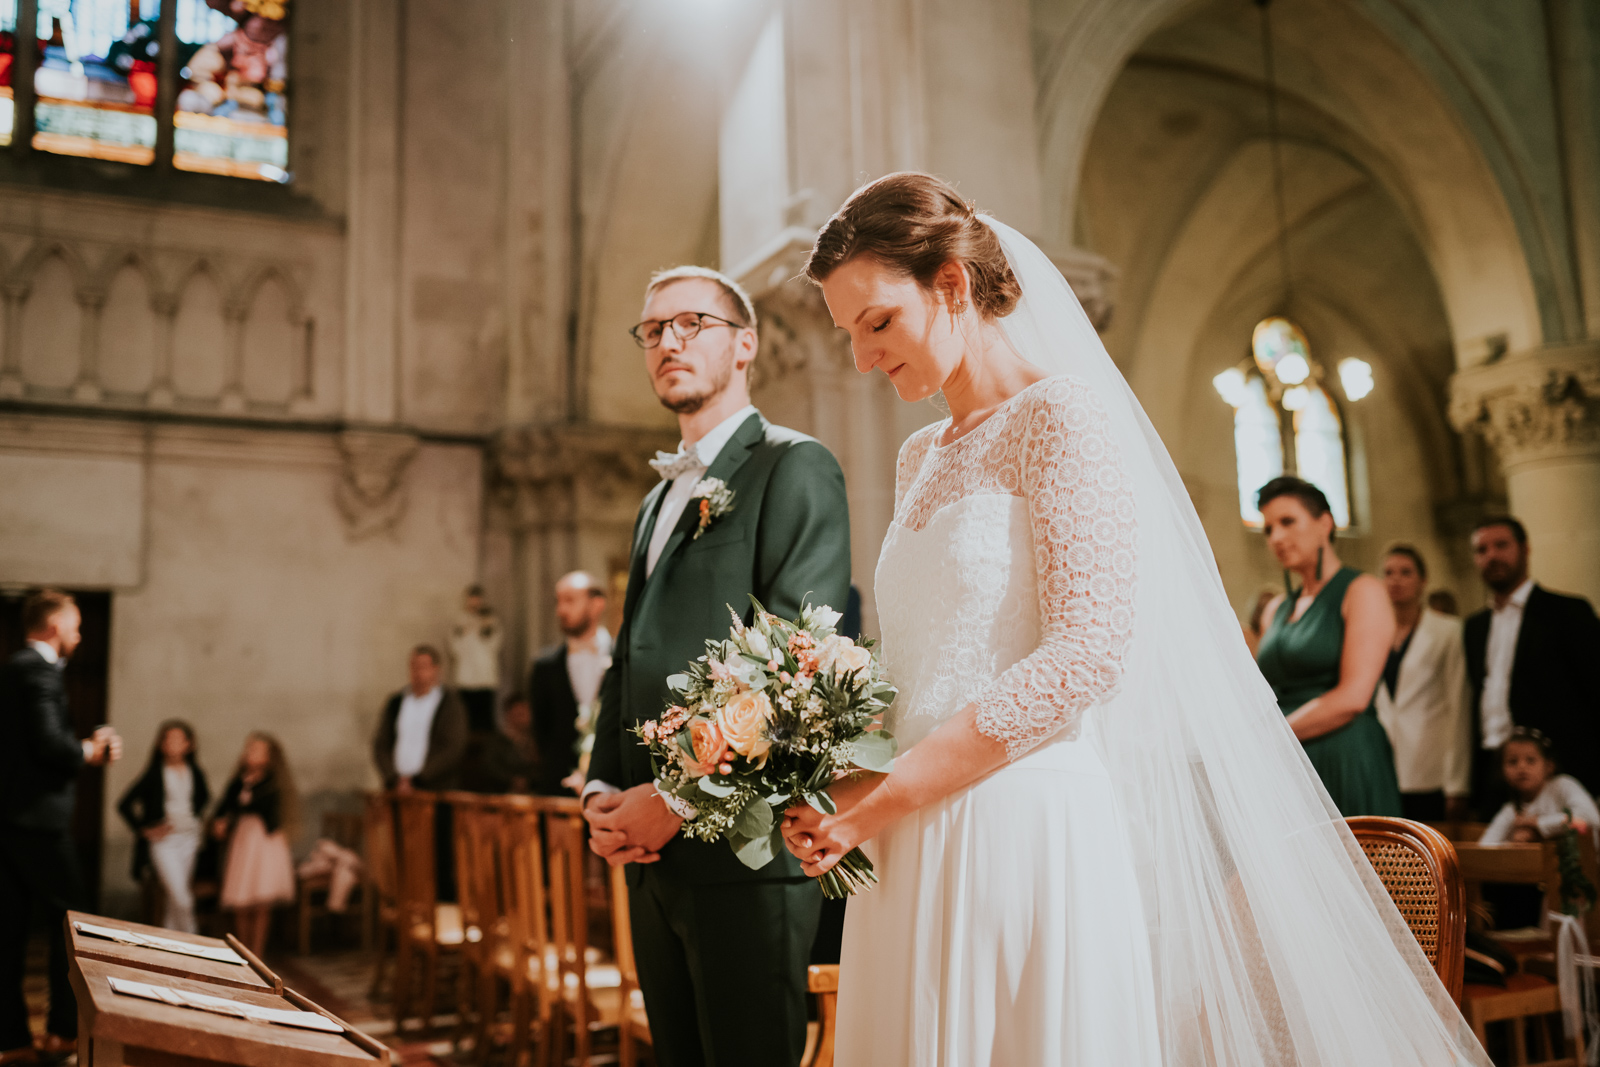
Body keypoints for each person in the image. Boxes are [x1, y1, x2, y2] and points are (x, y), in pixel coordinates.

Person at [780, 173, 1486, 1065]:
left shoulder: (1063, 416)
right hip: (899, 834)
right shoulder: (921, 453)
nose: (860, 357)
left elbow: (1085, 656)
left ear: (951, 285)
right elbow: (919, 654)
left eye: (877, 322)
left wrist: (891, 788)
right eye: (847, 334)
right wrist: (834, 763)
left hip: (1017, 825)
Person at [582, 264, 851, 1067]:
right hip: (649, 857)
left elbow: (797, 669)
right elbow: (626, 658)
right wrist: (599, 787)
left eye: (691, 322)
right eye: (654, 329)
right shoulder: (653, 501)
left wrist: (673, 797)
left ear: (746, 345)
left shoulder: (793, 466)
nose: (669, 340)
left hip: (743, 853)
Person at [0, 590, 121, 1066]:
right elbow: (52, 747)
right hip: (37, 822)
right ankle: (60, 1033)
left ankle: (10, 1040)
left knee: (7, 930)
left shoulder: (10, 671)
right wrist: (93, 749)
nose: (78, 635)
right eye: (74, 626)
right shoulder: (39, 671)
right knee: (75, 923)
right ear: (52, 626)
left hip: (6, 820)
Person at [1253, 476, 1402, 817]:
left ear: (1325, 523)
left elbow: (1353, 697)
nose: (1276, 537)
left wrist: (1270, 738)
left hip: (1343, 753)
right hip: (1286, 765)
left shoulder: (1363, 590)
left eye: (1287, 522)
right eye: (1268, 529)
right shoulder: (1276, 609)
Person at [1464, 516, 1600, 816]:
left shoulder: (1568, 612)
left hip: (1558, 769)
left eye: (1501, 545)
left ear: (1525, 549)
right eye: (1481, 549)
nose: (1491, 556)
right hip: (1494, 770)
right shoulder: (1474, 626)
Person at [1373, 545, 1471, 822]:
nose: (1396, 580)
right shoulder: (1374, 631)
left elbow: (1458, 706)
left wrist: (1457, 783)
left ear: (1423, 580)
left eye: (1406, 572)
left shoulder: (1447, 630)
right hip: (1384, 763)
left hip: (1430, 765)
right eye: (1388, 573)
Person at [117, 720, 211, 933]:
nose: (173, 744)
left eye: (179, 739)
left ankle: (172, 943)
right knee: (182, 897)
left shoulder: (194, 772)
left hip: (189, 839)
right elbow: (124, 804)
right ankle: (193, 942)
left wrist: (194, 820)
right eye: (168, 739)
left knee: (175, 898)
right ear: (161, 744)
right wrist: (145, 828)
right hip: (164, 842)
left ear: (189, 744)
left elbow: (204, 798)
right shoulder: (155, 774)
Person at [212, 732, 297, 957]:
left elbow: (271, 814)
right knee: (240, 898)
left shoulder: (273, 784)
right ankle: (243, 950)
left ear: (270, 757)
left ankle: (257, 952)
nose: (251, 754)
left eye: (258, 750)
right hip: (243, 840)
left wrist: (250, 791)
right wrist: (221, 821)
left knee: (261, 900)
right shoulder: (237, 782)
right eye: (250, 749)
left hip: (264, 843)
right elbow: (224, 807)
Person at [529, 571, 611, 795]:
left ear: (597, 605)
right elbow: (541, 730)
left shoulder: (624, 658)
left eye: (570, 600)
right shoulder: (544, 666)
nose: (561, 610)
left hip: (614, 784)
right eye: (559, 602)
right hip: (559, 785)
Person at [372, 645, 469, 793]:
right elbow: (381, 744)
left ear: (436, 670)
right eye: (414, 666)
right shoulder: (396, 702)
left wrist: (420, 778)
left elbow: (452, 746)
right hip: (397, 786)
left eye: (423, 666)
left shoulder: (449, 703)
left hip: (433, 787)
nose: (418, 672)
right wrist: (394, 777)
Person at [1479, 728, 1600, 846]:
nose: (1521, 767)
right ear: (1502, 770)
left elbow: (1589, 819)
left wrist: (1537, 824)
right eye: (1512, 761)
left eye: (1531, 760)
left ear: (1549, 766)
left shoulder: (1563, 785)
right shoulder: (1511, 810)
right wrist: (1514, 844)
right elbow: (1484, 847)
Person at [449, 585, 503, 734]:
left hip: (485, 677)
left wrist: (484, 627)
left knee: (485, 721)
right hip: (466, 678)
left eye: (477, 599)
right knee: (466, 720)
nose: (475, 603)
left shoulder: (490, 619)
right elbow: (454, 646)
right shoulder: (460, 620)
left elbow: (495, 643)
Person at [461, 695, 538, 794]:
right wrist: (512, 780)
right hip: (503, 792)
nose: (522, 718)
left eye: (524, 713)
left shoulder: (535, 739)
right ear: (508, 715)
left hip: (533, 791)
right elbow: (490, 767)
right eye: (518, 714)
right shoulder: (496, 741)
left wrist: (528, 781)